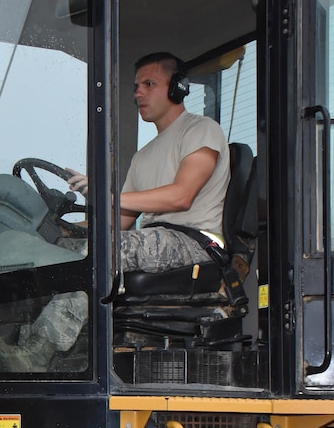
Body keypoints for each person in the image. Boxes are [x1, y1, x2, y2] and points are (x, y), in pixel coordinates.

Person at [68, 52, 230, 272]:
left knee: (103, 252)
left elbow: (182, 196)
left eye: (149, 84)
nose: (138, 93)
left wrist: (109, 197)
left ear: (177, 88)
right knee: (66, 251)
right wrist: (62, 230)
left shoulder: (201, 129)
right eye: (136, 87)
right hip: (152, 240)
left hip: (196, 243)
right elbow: (118, 223)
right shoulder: (141, 156)